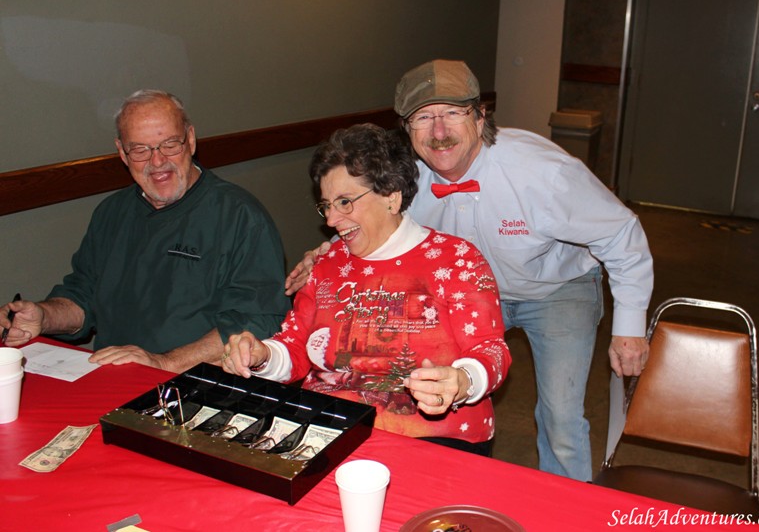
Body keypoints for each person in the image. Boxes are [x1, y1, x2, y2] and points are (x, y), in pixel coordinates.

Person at [287, 60, 654, 481]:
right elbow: (371, 220)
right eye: (424, 117)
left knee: (561, 416)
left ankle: (568, 506)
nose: (438, 131)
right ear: (406, 128)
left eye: (452, 113)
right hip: (462, 297)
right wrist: (327, 250)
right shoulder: (405, 177)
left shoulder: (544, 174)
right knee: (440, 388)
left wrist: (629, 326)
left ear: (481, 117)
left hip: (554, 289)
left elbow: (621, 232)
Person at [223, 123, 511, 456]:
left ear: (391, 196)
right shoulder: (326, 265)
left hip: (433, 437)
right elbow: (296, 346)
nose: (331, 220)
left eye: (345, 202)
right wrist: (262, 355)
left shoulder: (457, 260)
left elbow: (491, 351)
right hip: (327, 429)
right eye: (326, 205)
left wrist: (463, 380)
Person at [0, 90, 290, 373]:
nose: (157, 161)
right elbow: (83, 295)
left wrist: (164, 363)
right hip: (109, 375)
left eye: (169, 144)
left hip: (195, 383)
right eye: (140, 149)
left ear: (190, 140)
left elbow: (257, 319)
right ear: (122, 153)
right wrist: (44, 316)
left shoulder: (239, 214)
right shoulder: (111, 212)